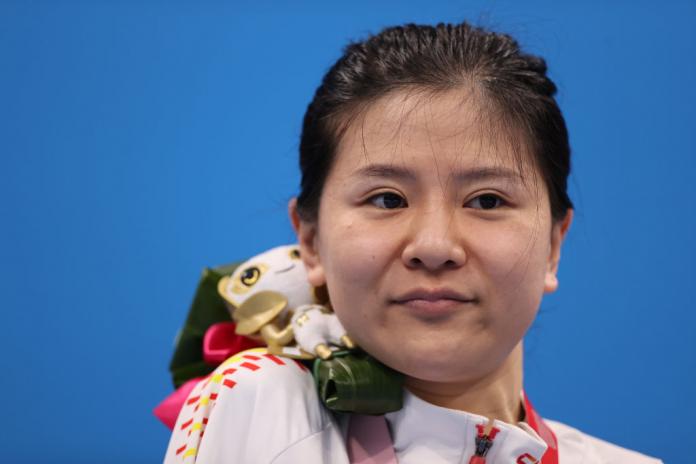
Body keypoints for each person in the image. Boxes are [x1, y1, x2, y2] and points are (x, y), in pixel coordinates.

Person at [164, 22, 662, 463]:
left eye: (487, 201)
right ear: (310, 242)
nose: (435, 245)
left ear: (554, 244)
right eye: (386, 199)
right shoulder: (261, 409)